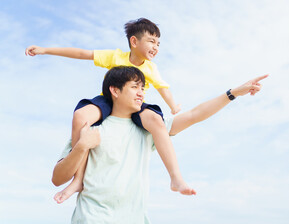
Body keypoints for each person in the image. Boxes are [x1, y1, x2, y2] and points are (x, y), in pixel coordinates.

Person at [52, 66, 268, 223]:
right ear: (115, 91)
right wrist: (81, 147)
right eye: (135, 87)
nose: (141, 93)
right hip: (93, 218)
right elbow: (58, 178)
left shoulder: (149, 128)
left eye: (143, 88)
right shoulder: (92, 125)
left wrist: (233, 93)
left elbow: (194, 115)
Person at [25, 18, 194, 203]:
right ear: (134, 41)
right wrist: (45, 50)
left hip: (134, 105)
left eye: (158, 44)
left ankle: (175, 178)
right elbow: (82, 53)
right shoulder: (115, 56)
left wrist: (173, 106)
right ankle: (78, 180)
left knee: (156, 121)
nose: (156, 47)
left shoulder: (151, 68)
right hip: (107, 100)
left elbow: (163, 88)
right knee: (81, 115)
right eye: (151, 41)